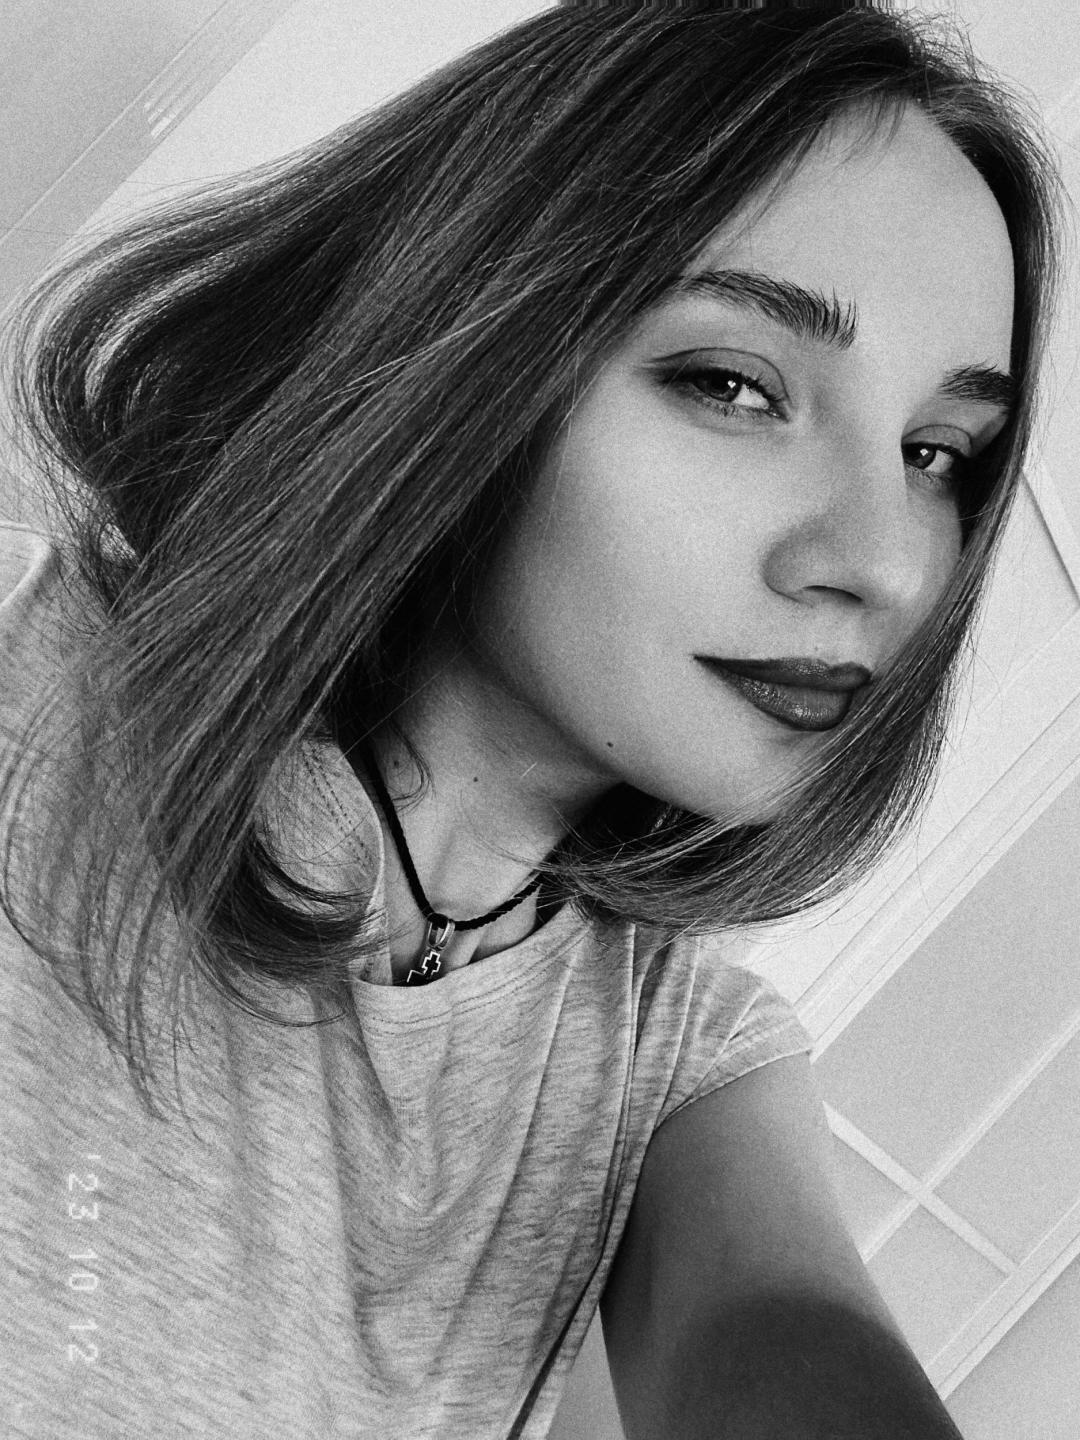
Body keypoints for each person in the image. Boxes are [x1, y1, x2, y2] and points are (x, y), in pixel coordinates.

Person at [0, 2, 1064, 1437]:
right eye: (734, 385)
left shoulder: (676, 1061)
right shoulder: (38, 678)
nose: (881, 562)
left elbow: (776, 1332)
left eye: (938, 454)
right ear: (475, 336)